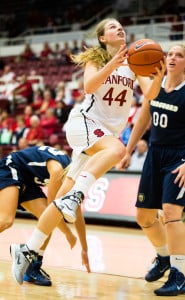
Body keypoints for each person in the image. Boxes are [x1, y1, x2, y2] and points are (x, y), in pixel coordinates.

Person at [9, 18, 165, 285]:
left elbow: (150, 93)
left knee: (59, 199)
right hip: (85, 123)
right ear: (103, 38)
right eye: (113, 27)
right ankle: (77, 195)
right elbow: (89, 87)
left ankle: (29, 251)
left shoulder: (134, 61)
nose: (120, 29)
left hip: (104, 135)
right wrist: (112, 64)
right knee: (116, 150)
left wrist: (158, 76)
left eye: (121, 26)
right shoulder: (97, 58)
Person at [117, 44, 185, 296]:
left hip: (179, 157)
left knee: (170, 212)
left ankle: (181, 273)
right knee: (144, 217)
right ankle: (165, 257)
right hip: (154, 156)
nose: (173, 58)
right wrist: (128, 150)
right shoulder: (155, 86)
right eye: (170, 54)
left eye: (179, 55)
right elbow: (143, 119)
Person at [0, 145, 78, 286]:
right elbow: (52, 210)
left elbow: (68, 215)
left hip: (27, 180)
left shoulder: (71, 172)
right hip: (12, 166)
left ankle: (32, 268)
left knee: (45, 223)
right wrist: (68, 233)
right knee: (6, 220)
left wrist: (84, 247)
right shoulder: (58, 171)